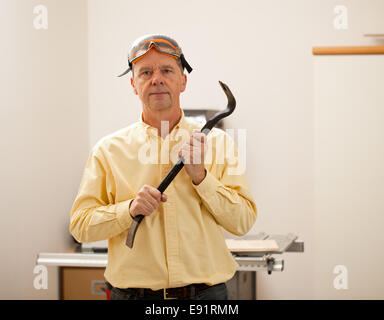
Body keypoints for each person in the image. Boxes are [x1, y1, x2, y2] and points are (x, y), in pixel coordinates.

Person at [70, 34, 257, 300]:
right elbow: (80, 226)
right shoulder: (107, 151)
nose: (156, 78)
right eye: (146, 72)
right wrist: (128, 210)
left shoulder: (219, 144)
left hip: (206, 297)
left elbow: (243, 222)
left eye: (167, 70)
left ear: (183, 81)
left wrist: (201, 178)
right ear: (134, 84)